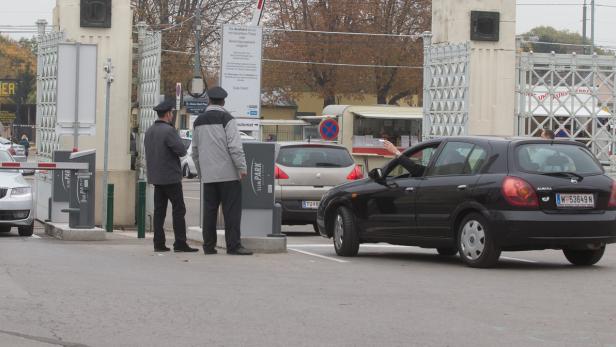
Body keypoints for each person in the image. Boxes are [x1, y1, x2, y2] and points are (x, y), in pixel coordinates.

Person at [192, 86, 253, 255]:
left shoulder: (198, 121)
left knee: (209, 211)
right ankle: (233, 246)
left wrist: (201, 172)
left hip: (209, 176)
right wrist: (241, 167)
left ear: (209, 100)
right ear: (224, 101)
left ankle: (209, 246)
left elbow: (195, 151)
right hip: (228, 175)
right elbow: (235, 146)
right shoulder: (227, 119)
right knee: (231, 211)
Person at [144, 99, 198, 253]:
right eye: (172, 113)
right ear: (168, 114)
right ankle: (180, 242)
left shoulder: (149, 131)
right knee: (178, 209)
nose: (172, 116)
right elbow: (181, 150)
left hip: (156, 177)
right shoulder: (169, 131)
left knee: (159, 211)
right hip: (170, 177)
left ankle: (158, 243)